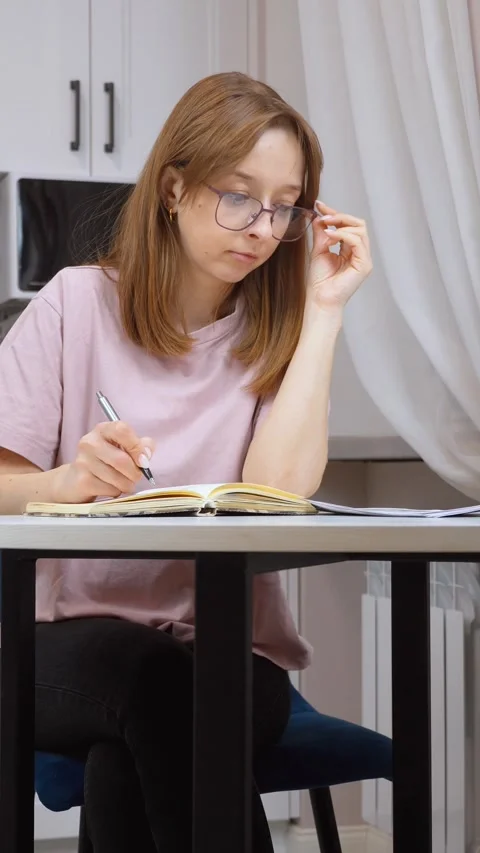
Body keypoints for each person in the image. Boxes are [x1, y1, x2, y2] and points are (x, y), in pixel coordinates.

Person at [0, 72, 372, 852]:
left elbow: (275, 493)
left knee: (128, 749)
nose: (262, 227)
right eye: (239, 196)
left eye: (284, 206)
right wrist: (66, 483)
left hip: (231, 650)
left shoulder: (276, 333)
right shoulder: (73, 305)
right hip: (64, 645)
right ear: (173, 188)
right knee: (155, 685)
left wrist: (324, 313)